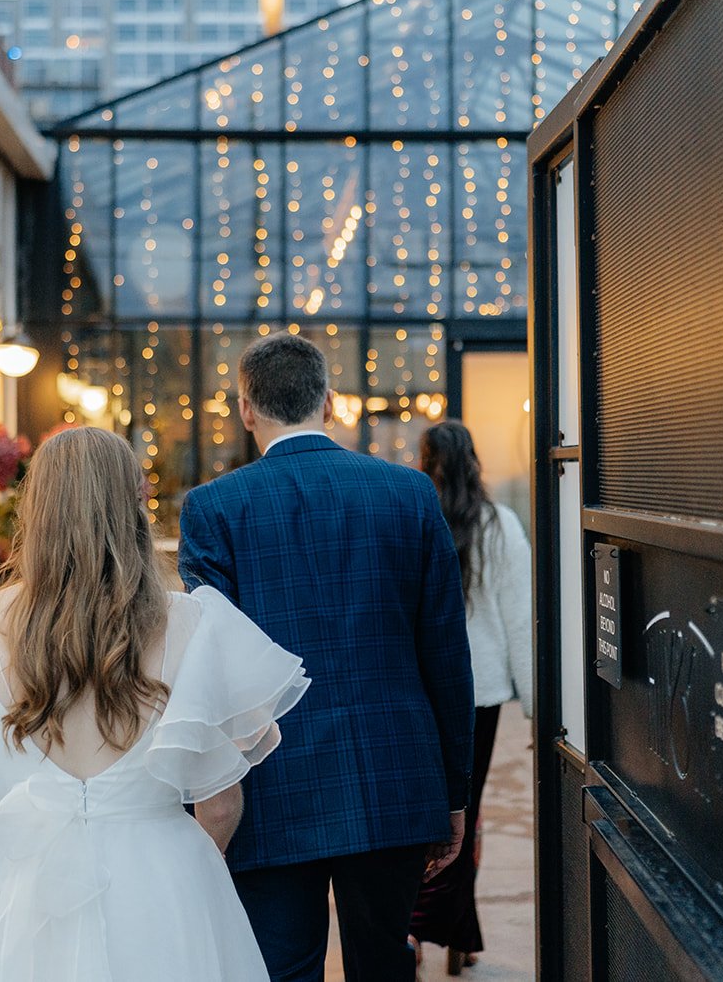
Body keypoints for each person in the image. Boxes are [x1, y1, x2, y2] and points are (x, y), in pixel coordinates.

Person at [0, 427, 310, 982]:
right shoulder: (195, 626)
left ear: (35, 510)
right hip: (160, 885)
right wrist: (187, 873)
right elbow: (221, 804)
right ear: (134, 507)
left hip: (9, 890)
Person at [177, 334, 474, 982]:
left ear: (247, 408)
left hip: (270, 782)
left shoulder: (213, 509)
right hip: (392, 778)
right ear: (330, 403)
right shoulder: (409, 494)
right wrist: (455, 791)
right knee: (383, 963)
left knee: (282, 968)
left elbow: (210, 667)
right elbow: (447, 653)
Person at [409, 420, 533, 975]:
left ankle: (418, 929)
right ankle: (455, 932)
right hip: (480, 693)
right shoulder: (498, 525)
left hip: (420, 688)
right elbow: (519, 620)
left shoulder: (413, 517)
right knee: (467, 810)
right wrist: (535, 707)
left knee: (420, 812)